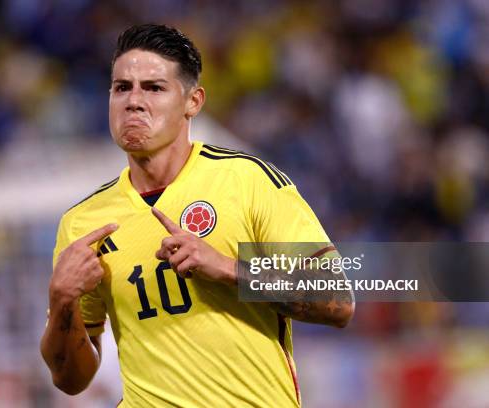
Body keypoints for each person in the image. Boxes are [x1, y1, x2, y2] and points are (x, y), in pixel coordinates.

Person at [40, 23, 354, 407]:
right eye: (122, 87)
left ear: (193, 102)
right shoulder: (84, 221)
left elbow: (337, 300)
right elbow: (72, 380)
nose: (133, 101)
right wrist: (61, 302)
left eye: (153, 88)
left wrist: (226, 268)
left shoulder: (246, 180)